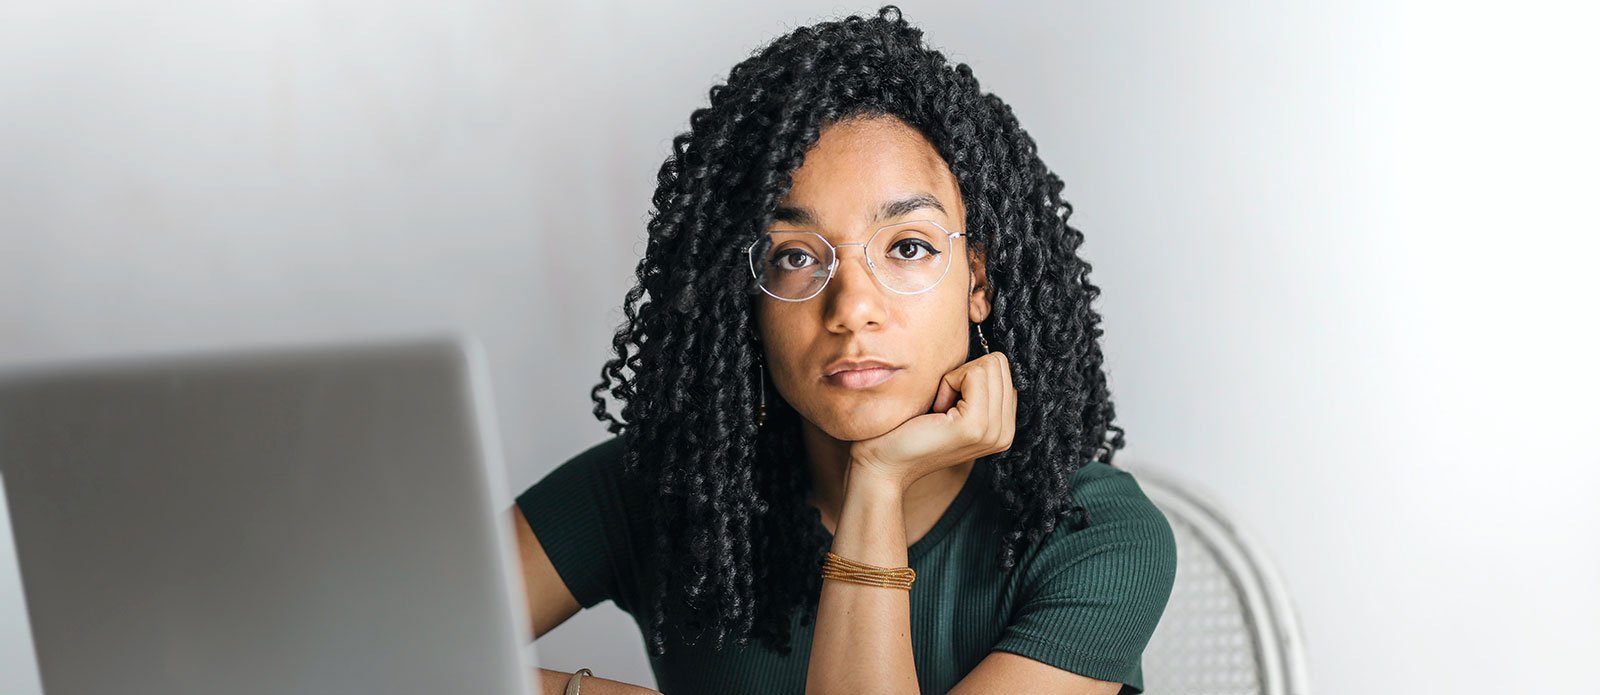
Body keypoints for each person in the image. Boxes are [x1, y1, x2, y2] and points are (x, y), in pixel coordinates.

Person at [512, 6, 1177, 694]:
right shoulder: (666, 487)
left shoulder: (1095, 535)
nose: (853, 307)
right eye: (796, 256)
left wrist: (878, 481)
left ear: (977, 281)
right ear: (748, 295)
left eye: (909, 247)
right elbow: (398, 646)